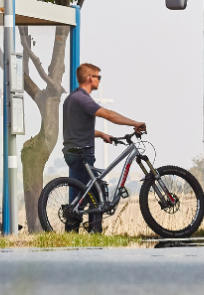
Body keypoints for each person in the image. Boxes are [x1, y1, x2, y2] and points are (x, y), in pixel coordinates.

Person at [61, 63, 147, 233]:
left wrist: (101, 134)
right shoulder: (83, 99)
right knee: (93, 192)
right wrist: (134, 123)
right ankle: (92, 233)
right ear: (89, 78)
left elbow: (76, 129)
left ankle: (83, 232)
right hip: (83, 153)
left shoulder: (71, 99)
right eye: (98, 77)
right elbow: (108, 114)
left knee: (87, 191)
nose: (99, 81)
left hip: (74, 151)